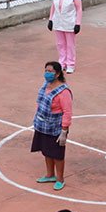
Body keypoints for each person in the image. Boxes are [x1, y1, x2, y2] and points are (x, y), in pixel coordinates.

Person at [32, 61, 73, 192]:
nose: (47, 74)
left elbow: (67, 112)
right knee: (46, 151)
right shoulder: (46, 85)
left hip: (56, 127)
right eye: (46, 70)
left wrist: (64, 130)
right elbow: (40, 102)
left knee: (57, 154)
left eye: (50, 71)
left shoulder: (64, 91)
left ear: (58, 74)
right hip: (43, 125)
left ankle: (60, 179)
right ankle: (50, 175)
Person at [48, 0, 83, 73]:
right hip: (58, 21)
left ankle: (70, 64)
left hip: (69, 22)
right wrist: (50, 19)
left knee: (70, 45)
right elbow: (53, 6)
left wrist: (78, 23)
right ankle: (62, 63)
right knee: (60, 44)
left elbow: (79, 9)